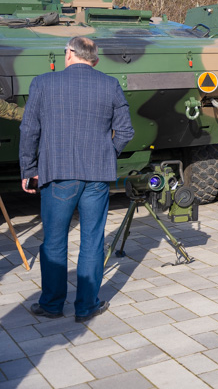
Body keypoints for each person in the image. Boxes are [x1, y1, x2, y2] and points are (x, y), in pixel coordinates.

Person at [20, 36, 134, 323]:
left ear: (69, 53)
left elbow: (29, 129)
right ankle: (86, 307)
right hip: (97, 176)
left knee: (54, 241)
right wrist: (107, 154)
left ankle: (52, 305)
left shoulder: (43, 83)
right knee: (93, 241)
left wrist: (28, 169)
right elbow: (125, 132)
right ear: (94, 59)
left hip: (57, 174)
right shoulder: (110, 85)